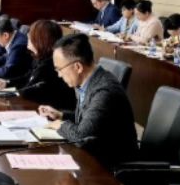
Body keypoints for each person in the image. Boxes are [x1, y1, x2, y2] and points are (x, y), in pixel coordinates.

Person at [38, 33, 138, 169]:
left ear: (78, 67)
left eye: (59, 69)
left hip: (112, 167)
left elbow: (82, 136)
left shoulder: (104, 90)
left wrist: (60, 125)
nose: (59, 75)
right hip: (93, 156)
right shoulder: (87, 82)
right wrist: (61, 115)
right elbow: (88, 121)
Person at [0, 20, 76, 111]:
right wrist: (7, 82)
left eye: (30, 37)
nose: (27, 38)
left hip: (57, 112)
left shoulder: (49, 64)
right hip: (41, 107)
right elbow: (27, 77)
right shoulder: (40, 58)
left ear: (40, 40)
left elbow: (29, 92)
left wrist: (9, 89)